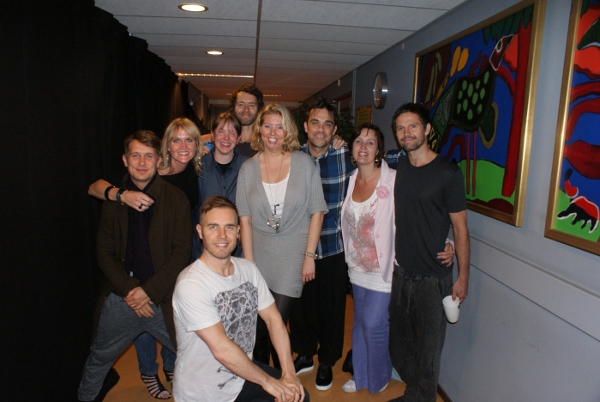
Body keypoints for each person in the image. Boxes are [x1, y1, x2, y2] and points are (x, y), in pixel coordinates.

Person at [289, 99, 404, 391]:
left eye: (327, 124)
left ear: (334, 130)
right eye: (315, 122)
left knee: (333, 311)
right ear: (306, 127)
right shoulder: (293, 157)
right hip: (300, 248)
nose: (321, 129)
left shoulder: (345, 155)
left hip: (335, 248)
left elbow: (402, 162)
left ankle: (327, 361)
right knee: (301, 308)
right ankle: (305, 354)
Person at [87, 117, 202, 398]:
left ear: (158, 160)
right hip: (121, 297)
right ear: (125, 160)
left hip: (162, 298)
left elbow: (180, 252)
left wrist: (148, 292)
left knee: (195, 355)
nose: (141, 162)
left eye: (148, 156)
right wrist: (131, 291)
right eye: (135, 155)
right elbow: (103, 252)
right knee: (97, 360)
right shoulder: (115, 199)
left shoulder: (176, 199)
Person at [172, 196, 309, 402]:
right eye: (213, 227)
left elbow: (274, 320)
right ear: (200, 232)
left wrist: (288, 373)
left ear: (238, 232)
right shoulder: (190, 284)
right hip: (203, 393)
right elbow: (222, 350)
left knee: (297, 397)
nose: (222, 235)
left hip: (242, 376)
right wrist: (268, 382)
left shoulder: (248, 270)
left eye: (229, 227)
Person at [388, 103, 470, 402]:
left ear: (427, 129)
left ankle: (420, 396)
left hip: (433, 279)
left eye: (412, 126)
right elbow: (364, 152)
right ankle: (416, 390)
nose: (406, 133)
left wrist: (463, 276)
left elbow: (460, 228)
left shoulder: (448, 173)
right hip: (401, 273)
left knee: (428, 351)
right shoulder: (398, 165)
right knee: (399, 346)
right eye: (400, 128)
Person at [236, 103, 328, 369]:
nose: (273, 132)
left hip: (292, 253)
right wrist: (249, 264)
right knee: (260, 325)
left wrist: (309, 256)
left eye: (279, 127)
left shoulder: (304, 163)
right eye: (268, 126)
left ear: (287, 131)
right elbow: (245, 219)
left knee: (274, 319)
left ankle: (279, 377)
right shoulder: (248, 169)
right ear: (259, 130)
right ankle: (267, 377)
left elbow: (317, 211)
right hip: (259, 253)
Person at [195, 112, 248, 259]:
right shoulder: (198, 166)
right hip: (204, 249)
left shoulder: (249, 167)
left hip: (238, 250)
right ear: (212, 135)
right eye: (221, 131)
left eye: (232, 133)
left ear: (239, 138)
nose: (226, 138)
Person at [231, 84, 264, 158]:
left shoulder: (265, 142)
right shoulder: (225, 142)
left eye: (251, 105)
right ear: (234, 107)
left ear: (258, 109)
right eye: (240, 104)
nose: (246, 109)